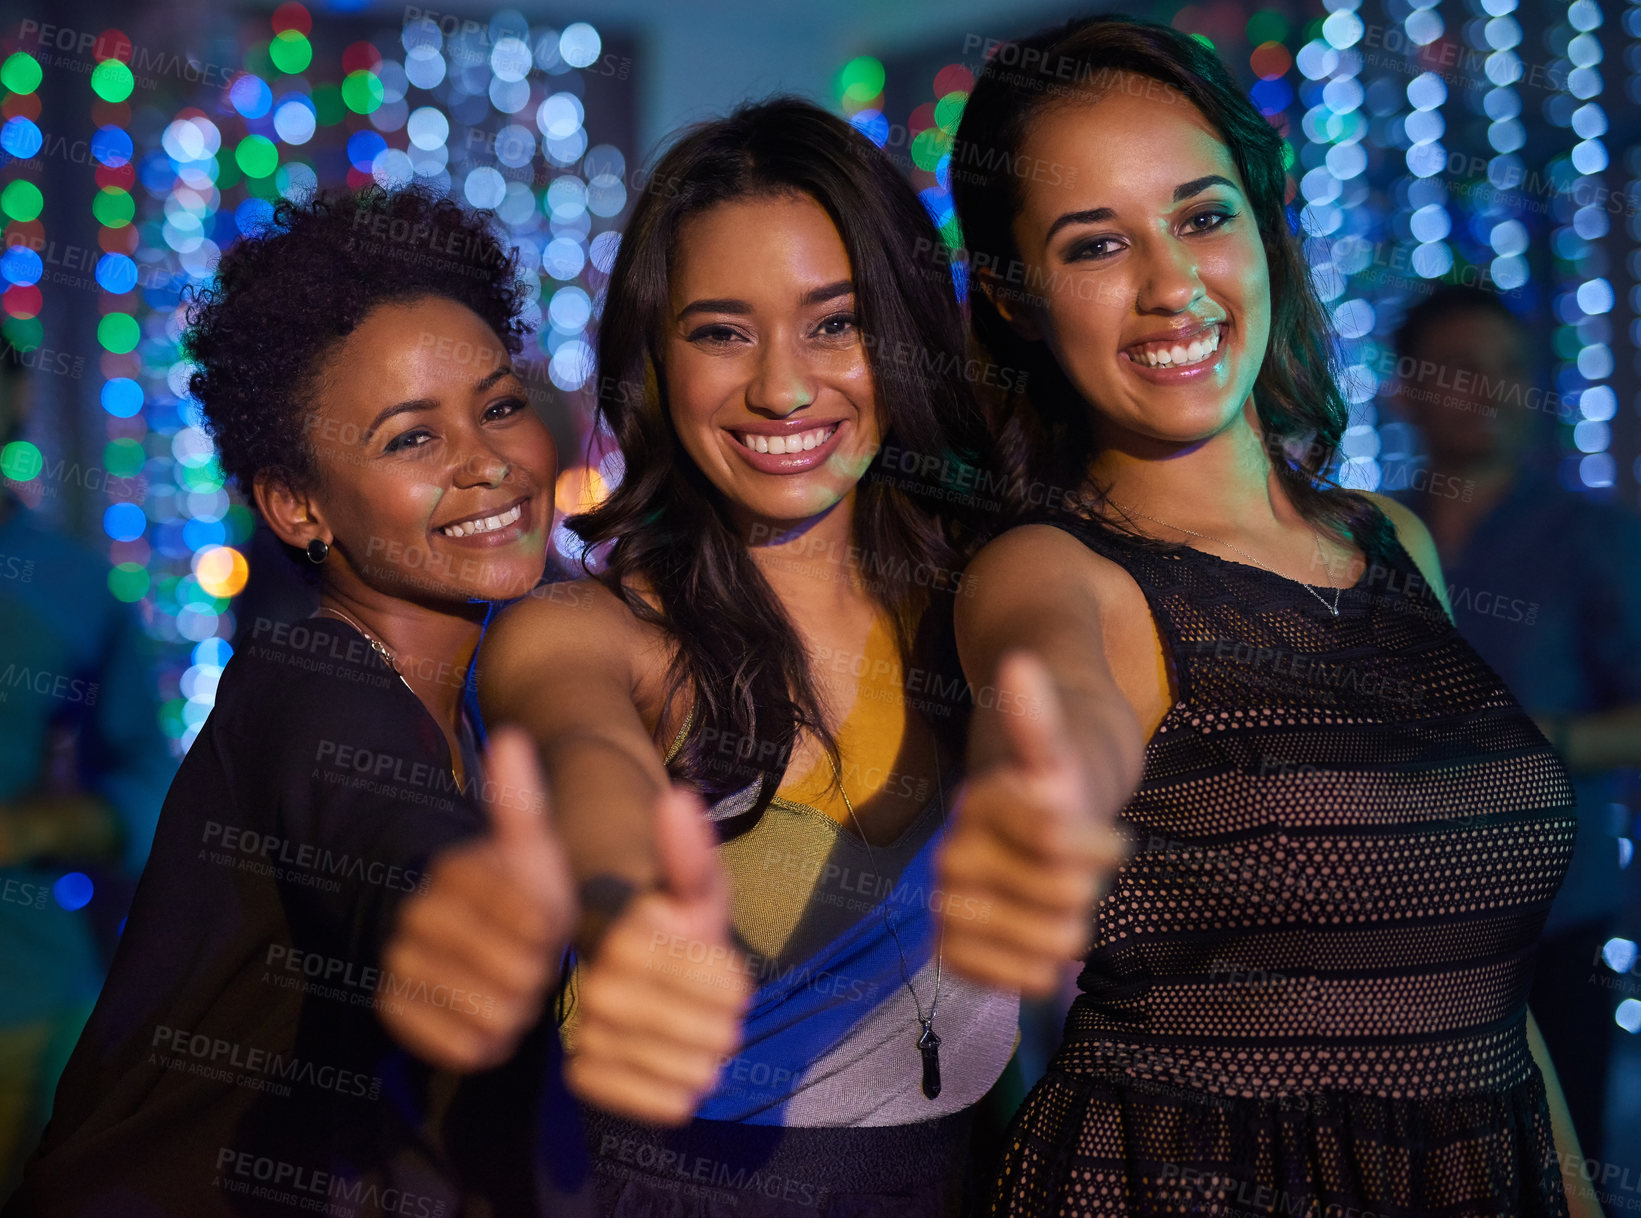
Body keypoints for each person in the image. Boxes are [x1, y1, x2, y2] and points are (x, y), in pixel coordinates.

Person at [934, 15, 1597, 1216]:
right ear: (1015, 299)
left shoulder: (1391, 542)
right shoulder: (1050, 570)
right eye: (1095, 246)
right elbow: (1052, 699)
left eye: (1202, 215)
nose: (1170, 284)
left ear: (1266, 224)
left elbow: (1485, 996)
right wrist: (1040, 796)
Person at [382, 97, 1020, 1215]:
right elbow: (586, 762)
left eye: (835, 323)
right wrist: (626, 910)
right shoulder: (589, 632)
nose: (782, 387)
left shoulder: (989, 592)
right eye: (722, 331)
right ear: (654, 359)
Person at [3, 185, 599, 1216]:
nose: (489, 460)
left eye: (498, 406)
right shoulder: (310, 683)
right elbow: (384, 830)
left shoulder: (482, 696)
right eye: (413, 438)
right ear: (298, 505)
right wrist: (455, 899)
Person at [1387, 282, 1641, 1178]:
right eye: (1460, 372)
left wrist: (1535, 737)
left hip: (1556, 914)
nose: (1488, 393)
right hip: (1393, 922)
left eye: (1507, 372)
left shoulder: (1589, 539)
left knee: (1557, 1164)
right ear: (1403, 389)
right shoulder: (1361, 535)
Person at [0, 354, 174, 1203]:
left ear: (18, 394)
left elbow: (151, 787)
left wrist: (39, 828)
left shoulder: (64, 585)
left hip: (20, 1001)